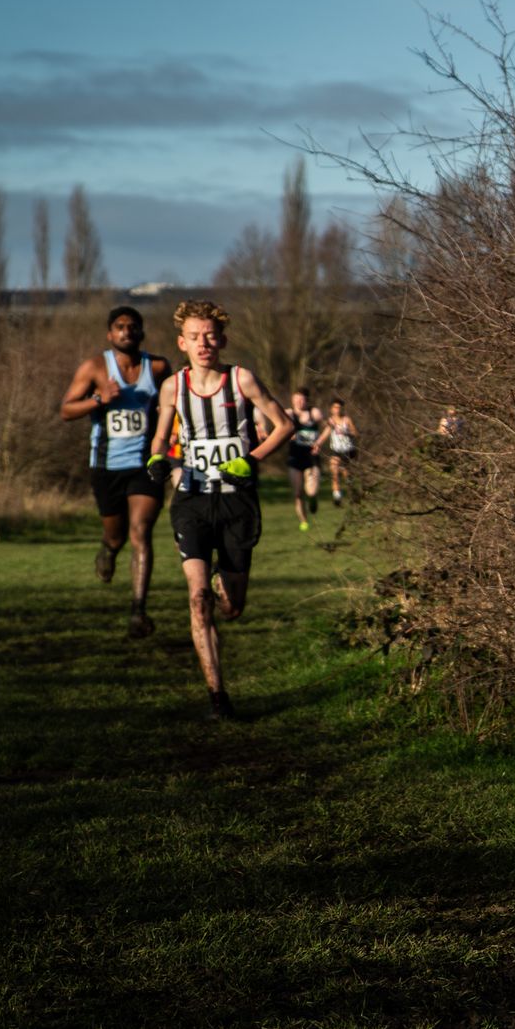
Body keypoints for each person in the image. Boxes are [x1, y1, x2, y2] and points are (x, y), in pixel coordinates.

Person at [144, 300, 293, 720]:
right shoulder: (173, 387)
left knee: (233, 607)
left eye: (210, 336)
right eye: (195, 337)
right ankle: (217, 698)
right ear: (182, 343)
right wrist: (157, 458)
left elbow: (285, 425)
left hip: (236, 502)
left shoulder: (241, 379)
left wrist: (251, 460)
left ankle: (223, 582)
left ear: (222, 340)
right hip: (191, 499)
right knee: (198, 599)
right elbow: (160, 438)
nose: (203, 344)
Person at [58, 305, 171, 636]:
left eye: (132, 326)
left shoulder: (159, 367)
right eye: (120, 326)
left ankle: (138, 611)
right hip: (106, 466)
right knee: (116, 535)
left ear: (142, 332)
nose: (126, 331)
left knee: (141, 532)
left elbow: (173, 406)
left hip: (145, 465)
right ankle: (108, 551)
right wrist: (99, 399)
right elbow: (66, 410)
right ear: (110, 334)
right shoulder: (94, 367)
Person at [284, 389, 324, 531]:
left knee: (311, 491)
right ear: (292, 400)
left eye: (302, 399)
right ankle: (304, 521)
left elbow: (328, 427)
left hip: (311, 457)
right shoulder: (288, 414)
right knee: (298, 493)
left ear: (307, 400)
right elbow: (278, 427)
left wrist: (319, 442)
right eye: (296, 399)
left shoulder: (314, 413)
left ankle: (313, 500)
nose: (299, 402)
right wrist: (287, 435)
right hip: (295, 457)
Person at [315, 397, 358, 505]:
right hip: (336, 451)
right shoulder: (331, 422)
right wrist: (317, 444)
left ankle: (353, 494)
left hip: (348, 451)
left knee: (347, 475)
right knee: (334, 472)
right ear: (331, 409)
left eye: (339, 407)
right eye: (335, 407)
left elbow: (355, 433)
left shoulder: (346, 420)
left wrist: (346, 432)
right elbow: (325, 434)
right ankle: (337, 497)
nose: (337, 410)